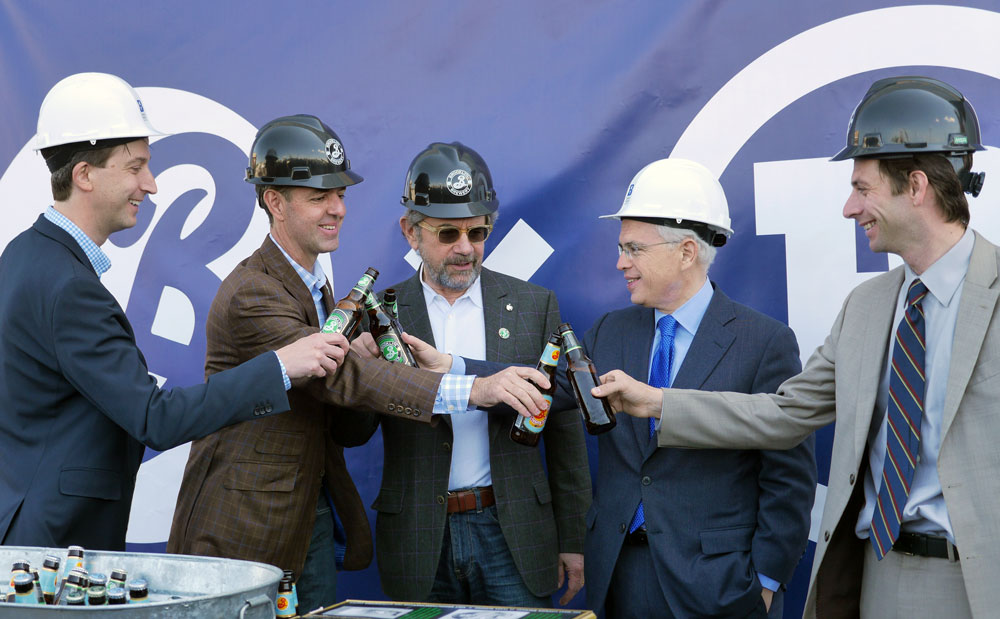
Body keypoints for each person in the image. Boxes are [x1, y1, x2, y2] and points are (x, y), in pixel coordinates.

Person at [595, 76, 996, 618]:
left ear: (917, 186)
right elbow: (784, 414)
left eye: (863, 187)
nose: (850, 208)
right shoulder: (868, 307)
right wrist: (658, 403)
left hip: (979, 581)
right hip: (873, 577)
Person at [167, 121, 550, 612]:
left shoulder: (319, 287)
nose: (338, 208)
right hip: (248, 528)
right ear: (274, 202)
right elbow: (340, 377)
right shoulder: (253, 292)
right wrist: (471, 388)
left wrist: (365, 367)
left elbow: (341, 412)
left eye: (341, 193)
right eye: (319, 196)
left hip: (309, 519)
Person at [0, 73, 346, 551]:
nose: (152, 183)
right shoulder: (67, 287)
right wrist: (280, 366)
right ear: (84, 175)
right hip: (56, 551)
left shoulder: (25, 256)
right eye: (135, 166)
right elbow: (153, 419)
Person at [574, 158, 816, 618]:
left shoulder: (764, 342)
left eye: (634, 249)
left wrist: (764, 582)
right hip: (621, 577)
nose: (620, 262)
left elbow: (789, 477)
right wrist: (453, 367)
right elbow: (543, 389)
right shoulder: (610, 332)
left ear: (686, 252)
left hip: (721, 588)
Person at [356, 142, 591, 608]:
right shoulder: (379, 313)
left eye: (478, 232)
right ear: (411, 232)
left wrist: (573, 538)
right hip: (420, 537)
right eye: (447, 234)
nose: (465, 248)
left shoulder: (533, 305)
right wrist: (359, 375)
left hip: (515, 534)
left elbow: (564, 431)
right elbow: (353, 431)